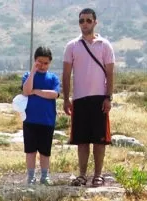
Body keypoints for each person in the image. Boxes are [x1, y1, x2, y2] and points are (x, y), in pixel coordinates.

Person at [63, 8, 115, 187]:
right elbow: (66, 73)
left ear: (95, 22)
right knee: (81, 140)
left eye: (88, 20)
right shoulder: (72, 46)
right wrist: (66, 99)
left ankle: (98, 175)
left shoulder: (105, 45)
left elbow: (110, 73)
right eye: (81, 21)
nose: (84, 24)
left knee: (100, 140)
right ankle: (82, 175)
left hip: (99, 98)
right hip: (80, 98)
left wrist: (109, 97)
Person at [22, 46, 60, 185]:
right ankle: (31, 177)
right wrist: (33, 71)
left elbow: (54, 94)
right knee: (30, 151)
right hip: (30, 120)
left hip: (47, 121)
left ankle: (45, 176)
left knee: (45, 151)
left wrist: (36, 91)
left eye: (45, 63)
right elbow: (26, 91)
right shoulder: (27, 76)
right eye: (39, 62)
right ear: (34, 61)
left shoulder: (53, 78)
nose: (42, 66)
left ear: (50, 63)